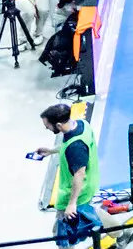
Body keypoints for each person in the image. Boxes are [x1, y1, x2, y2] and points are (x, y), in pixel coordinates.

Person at [35, 103, 102, 246]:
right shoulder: (81, 124)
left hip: (76, 193)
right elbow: (70, 147)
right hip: (90, 184)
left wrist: (71, 204)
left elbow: (79, 174)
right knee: (90, 213)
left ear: (58, 125)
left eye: (48, 126)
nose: (46, 128)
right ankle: (120, 233)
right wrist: (51, 151)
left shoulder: (75, 146)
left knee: (62, 233)